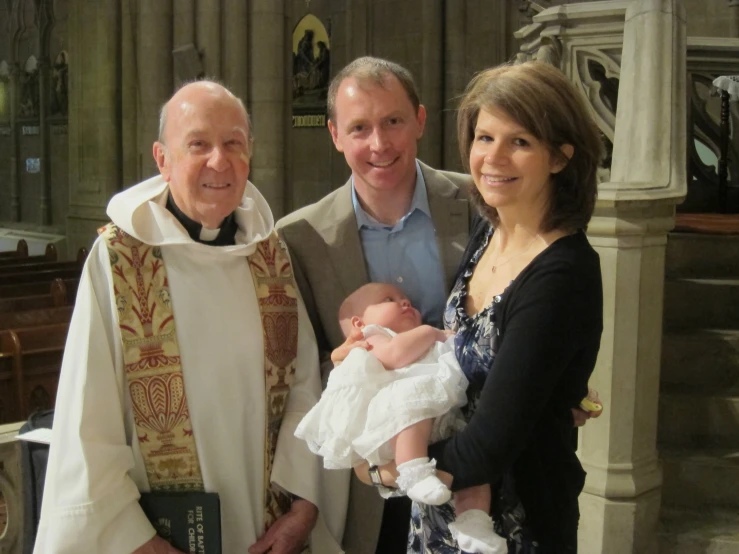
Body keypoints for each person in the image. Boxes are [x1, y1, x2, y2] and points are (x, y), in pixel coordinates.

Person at [34, 81, 346, 554]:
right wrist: (135, 540)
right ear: (162, 158)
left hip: (268, 531)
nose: (218, 162)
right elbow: (86, 419)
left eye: (233, 144)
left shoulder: (270, 256)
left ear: (250, 153)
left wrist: (303, 509)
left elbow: (304, 387)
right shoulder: (119, 260)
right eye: (198, 144)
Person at [356, 61, 605, 553]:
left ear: (559, 157)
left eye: (520, 142)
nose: (494, 158)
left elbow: (487, 447)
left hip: (518, 525)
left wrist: (381, 468)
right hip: (440, 514)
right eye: (484, 137)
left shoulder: (563, 274)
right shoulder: (490, 230)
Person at [296, 282, 508, 554]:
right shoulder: (371, 338)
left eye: (406, 298)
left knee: (474, 475)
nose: (405, 302)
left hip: (438, 421)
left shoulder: (420, 338)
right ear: (360, 323)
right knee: (412, 408)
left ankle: (473, 524)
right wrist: (430, 332)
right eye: (389, 299)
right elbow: (395, 356)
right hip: (395, 423)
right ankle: (414, 472)